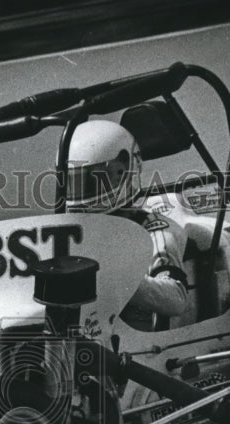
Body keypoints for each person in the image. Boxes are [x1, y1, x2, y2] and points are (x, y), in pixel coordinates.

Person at [64, 119, 196, 329]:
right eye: (76, 181)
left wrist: (111, 278)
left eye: (95, 179)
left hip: (144, 348)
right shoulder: (74, 233)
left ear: (123, 170)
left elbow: (176, 298)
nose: (84, 191)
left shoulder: (154, 227)